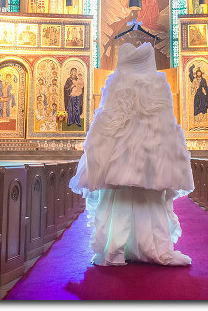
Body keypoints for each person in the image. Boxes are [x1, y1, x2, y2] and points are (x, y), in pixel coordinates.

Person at [69, 42, 193, 266]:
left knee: (146, 190)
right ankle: (122, 248)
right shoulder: (144, 81)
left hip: (146, 134)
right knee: (126, 191)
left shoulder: (142, 81)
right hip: (131, 136)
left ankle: (133, 248)